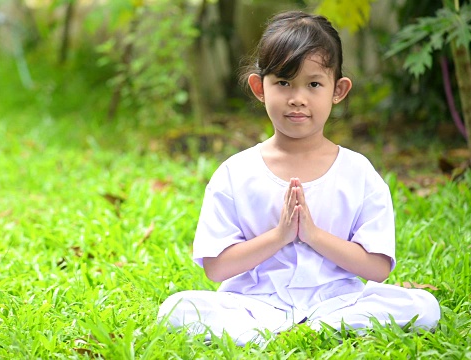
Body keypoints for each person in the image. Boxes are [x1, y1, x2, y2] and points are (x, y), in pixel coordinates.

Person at [157, 10, 440, 346]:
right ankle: (266, 332)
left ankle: (308, 330)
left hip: (337, 302)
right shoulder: (235, 173)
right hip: (253, 304)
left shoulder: (358, 172)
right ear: (259, 87)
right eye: (283, 83)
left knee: (424, 307)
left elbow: (377, 269)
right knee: (177, 309)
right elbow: (216, 270)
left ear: (339, 90)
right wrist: (280, 236)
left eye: (314, 84)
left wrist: (313, 235)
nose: (297, 98)